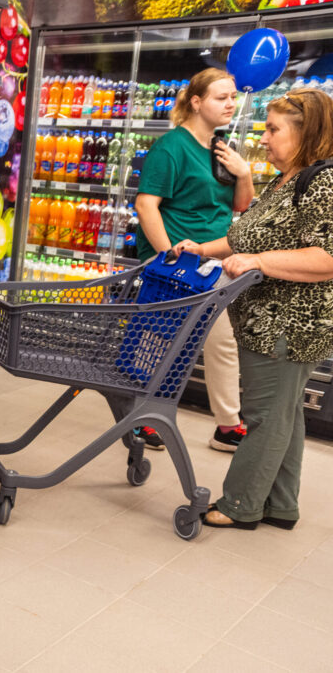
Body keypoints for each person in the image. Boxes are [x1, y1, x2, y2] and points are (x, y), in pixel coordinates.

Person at [173, 87, 333, 530]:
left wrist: (259, 261)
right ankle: (280, 505)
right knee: (284, 414)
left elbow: (327, 257)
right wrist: (202, 249)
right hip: (265, 321)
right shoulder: (287, 180)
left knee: (265, 416)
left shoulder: (323, 183)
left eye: (273, 129)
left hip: (290, 325)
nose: (263, 138)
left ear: (306, 133)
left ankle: (240, 505)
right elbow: (245, 237)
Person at [134, 68, 254, 453]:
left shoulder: (220, 147)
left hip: (214, 259)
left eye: (233, 97)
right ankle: (143, 416)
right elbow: (146, 205)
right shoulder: (172, 147)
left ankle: (226, 425)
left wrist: (244, 172)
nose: (231, 104)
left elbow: (239, 205)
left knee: (221, 340)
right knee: (160, 335)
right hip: (178, 262)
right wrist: (167, 257)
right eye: (222, 97)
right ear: (197, 102)